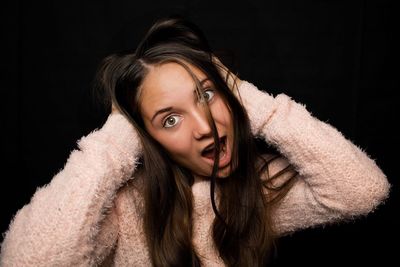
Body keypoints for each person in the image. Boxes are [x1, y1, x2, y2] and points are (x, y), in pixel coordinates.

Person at [0, 15, 390, 267]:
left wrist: (257, 105)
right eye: (169, 119)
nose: (203, 125)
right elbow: (30, 260)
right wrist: (115, 139)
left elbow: (362, 190)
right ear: (145, 138)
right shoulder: (120, 208)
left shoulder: (257, 186)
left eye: (206, 95)